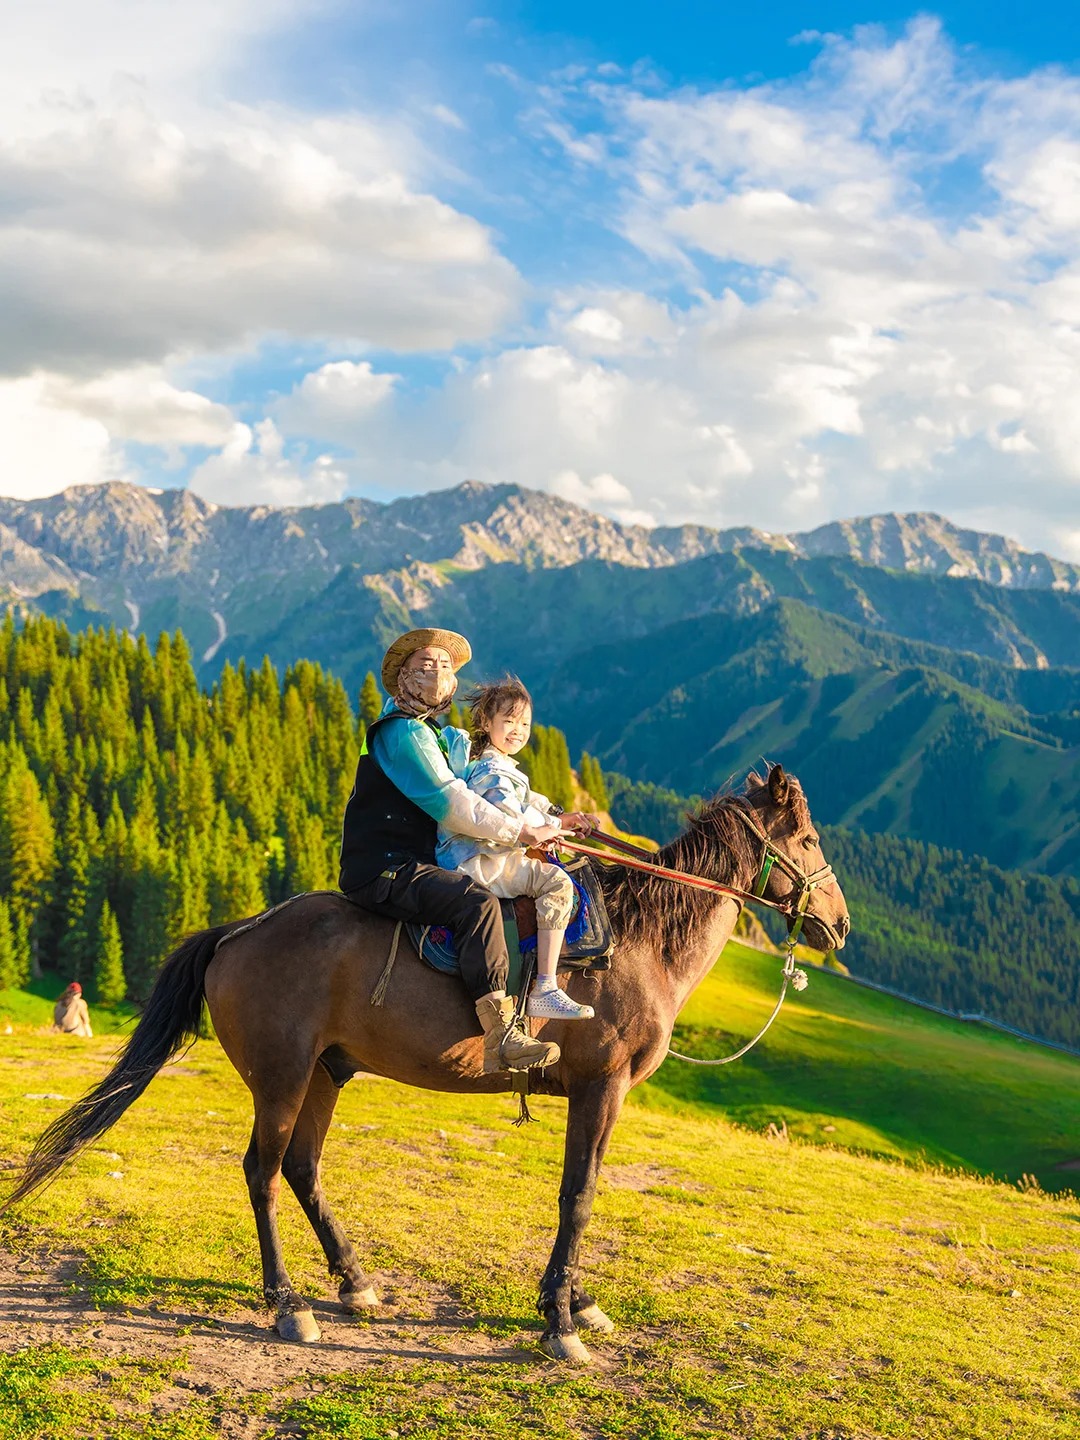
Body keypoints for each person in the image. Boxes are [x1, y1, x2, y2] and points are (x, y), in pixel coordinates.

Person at [339, 629, 563, 1074]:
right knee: (475, 902)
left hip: (412, 862)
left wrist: (552, 814)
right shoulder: (402, 734)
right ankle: (500, 1034)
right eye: (425, 666)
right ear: (402, 679)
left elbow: (486, 778)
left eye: (445, 667)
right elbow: (452, 802)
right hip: (385, 867)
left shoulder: (438, 735)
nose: (437, 674)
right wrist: (520, 832)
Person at [438, 678, 600, 1021]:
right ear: (486, 723)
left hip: (484, 853)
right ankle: (545, 986)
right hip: (483, 861)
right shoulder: (492, 771)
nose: (517, 730)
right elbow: (512, 817)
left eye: (524, 723)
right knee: (557, 884)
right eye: (508, 721)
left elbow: (527, 802)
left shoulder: (495, 764)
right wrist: (553, 827)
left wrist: (561, 818)